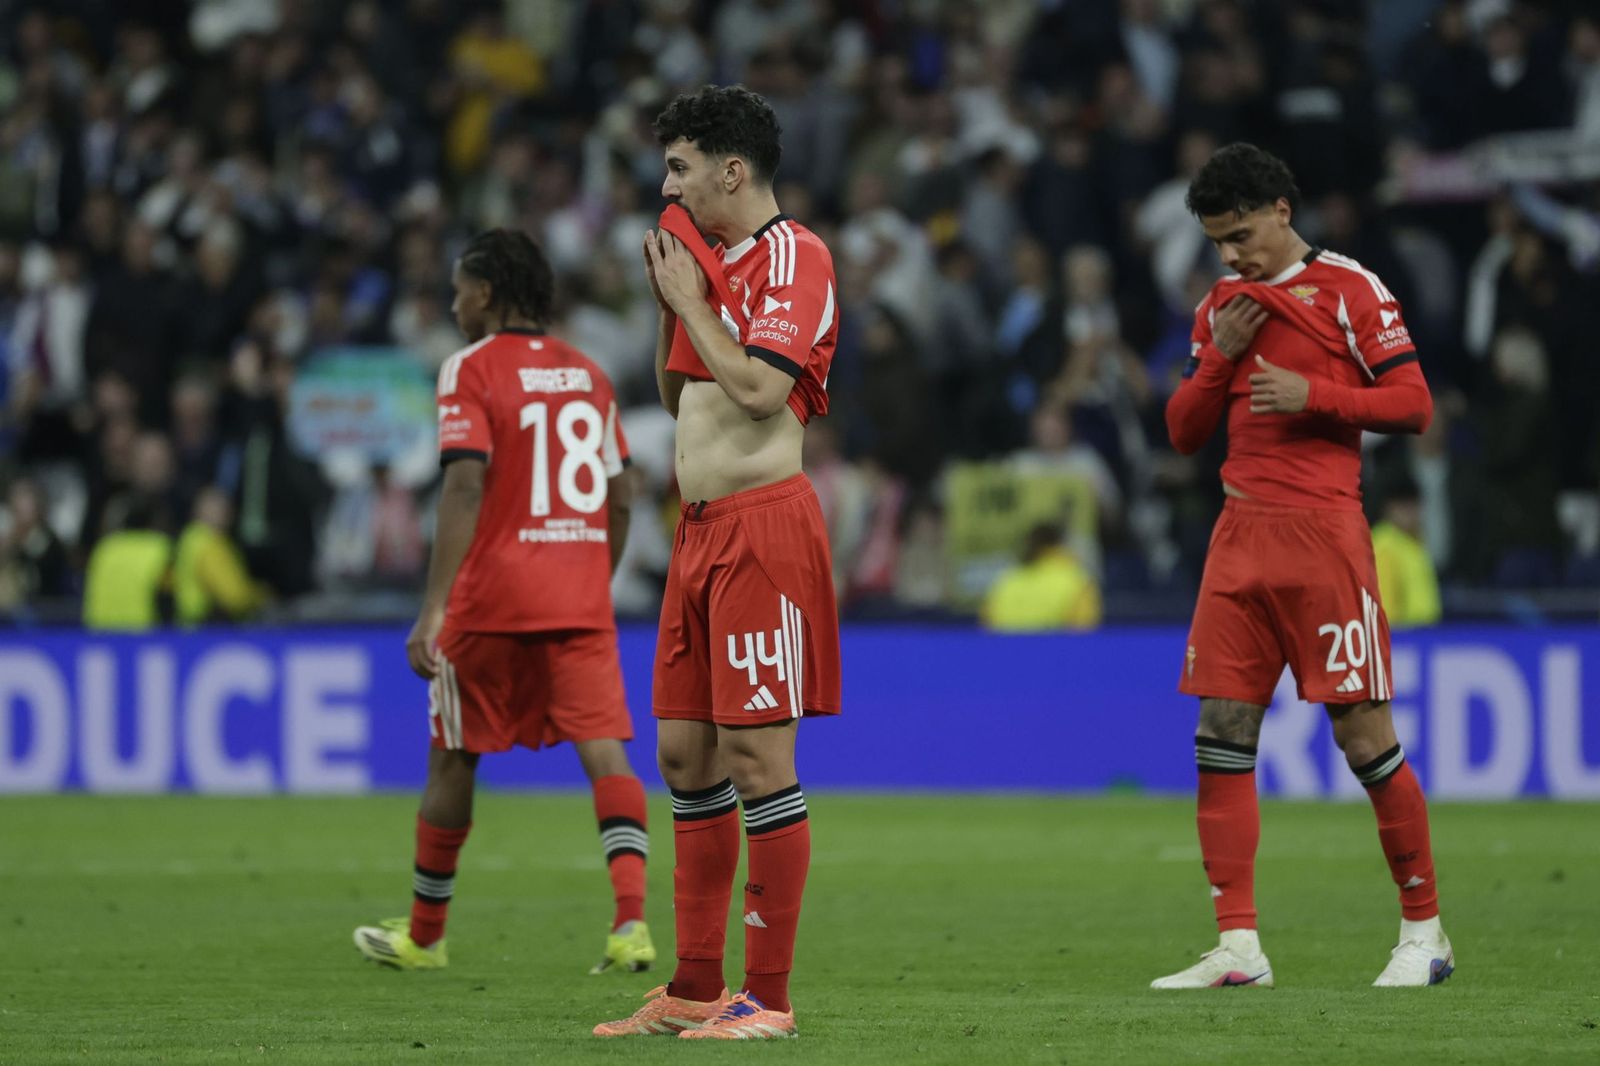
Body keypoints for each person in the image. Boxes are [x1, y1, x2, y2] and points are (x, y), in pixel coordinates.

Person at [1155, 144, 1451, 989]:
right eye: (1218, 242)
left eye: (1241, 235)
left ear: (1283, 211)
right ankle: (1238, 945)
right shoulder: (1222, 304)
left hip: (1324, 539)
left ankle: (1425, 933)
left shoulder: (1352, 290)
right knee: (1221, 734)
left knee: (1364, 737)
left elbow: (1414, 404)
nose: (1231, 255)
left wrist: (1314, 395)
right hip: (1238, 539)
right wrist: (1219, 354)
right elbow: (1180, 431)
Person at [593, 85, 841, 1041]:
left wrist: (695, 301)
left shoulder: (796, 256)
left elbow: (753, 389)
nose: (668, 186)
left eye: (680, 167)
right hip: (697, 531)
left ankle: (768, 1000)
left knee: (756, 759)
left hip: (762, 532)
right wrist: (673, 301)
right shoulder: (714, 263)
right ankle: (695, 986)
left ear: (732, 170)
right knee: (685, 756)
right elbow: (676, 390)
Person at [353, 229, 655, 977]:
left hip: (491, 598)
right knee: (605, 750)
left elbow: (463, 484)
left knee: (454, 755)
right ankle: (631, 926)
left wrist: (433, 609)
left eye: (459, 289)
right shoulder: (590, 373)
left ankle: (425, 936)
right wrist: (595, 574)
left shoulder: (470, 367)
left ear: (486, 293)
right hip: (578, 598)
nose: (453, 304)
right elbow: (621, 495)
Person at [980, 522, 1101, 632]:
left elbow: (987, 628)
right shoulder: (1077, 581)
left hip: (1007, 654)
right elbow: (1082, 634)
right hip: (1057, 654)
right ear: (1060, 545)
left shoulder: (1006, 580)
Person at [1371, 476, 1442, 629]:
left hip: (1425, 633)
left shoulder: (1415, 542)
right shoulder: (1384, 544)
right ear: (1389, 508)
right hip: (1402, 636)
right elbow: (1384, 605)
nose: (1410, 514)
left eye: (1413, 506)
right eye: (1403, 507)